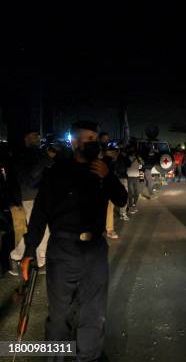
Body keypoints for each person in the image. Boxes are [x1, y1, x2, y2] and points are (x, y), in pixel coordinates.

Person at [21, 120, 127, 361]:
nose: (93, 143)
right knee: (59, 313)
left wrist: (108, 176)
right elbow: (39, 214)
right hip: (63, 250)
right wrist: (29, 250)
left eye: (94, 138)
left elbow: (122, 199)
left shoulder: (102, 170)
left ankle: (88, 355)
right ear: (74, 142)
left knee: (94, 310)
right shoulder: (57, 172)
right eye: (87, 139)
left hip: (95, 249)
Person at [7, 130, 54, 275]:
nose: (38, 138)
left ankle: (20, 257)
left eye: (39, 135)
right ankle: (37, 260)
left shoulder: (35, 152)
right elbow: (31, 177)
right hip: (30, 196)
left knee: (39, 228)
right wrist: (47, 157)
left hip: (40, 195)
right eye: (35, 135)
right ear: (26, 137)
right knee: (42, 228)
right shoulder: (20, 154)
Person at [126, 145, 143, 214]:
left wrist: (141, 178)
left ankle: (134, 205)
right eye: (131, 150)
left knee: (137, 192)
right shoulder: (127, 158)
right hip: (129, 177)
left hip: (137, 177)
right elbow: (126, 166)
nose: (133, 152)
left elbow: (141, 167)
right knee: (130, 193)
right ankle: (130, 207)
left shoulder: (138, 158)